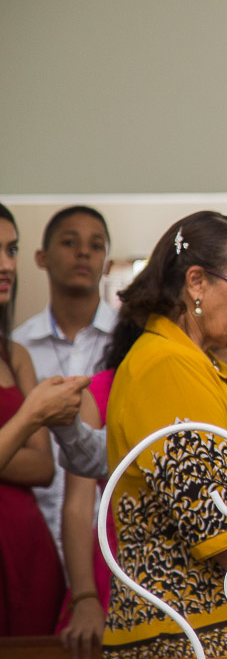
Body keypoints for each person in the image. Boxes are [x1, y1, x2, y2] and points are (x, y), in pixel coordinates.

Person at [102, 211, 227, 659]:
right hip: (185, 636)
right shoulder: (165, 367)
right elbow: (219, 524)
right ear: (196, 282)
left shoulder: (204, 366)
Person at [0, 202, 91, 637]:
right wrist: (31, 414)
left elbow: (41, 466)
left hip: (26, 546)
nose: (6, 264)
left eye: (12, 250)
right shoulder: (22, 346)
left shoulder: (11, 353)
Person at [13, 206, 116, 562]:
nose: (84, 252)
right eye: (70, 242)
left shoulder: (129, 344)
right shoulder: (17, 347)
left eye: (96, 245)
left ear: (106, 258)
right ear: (41, 257)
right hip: (30, 536)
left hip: (111, 542)